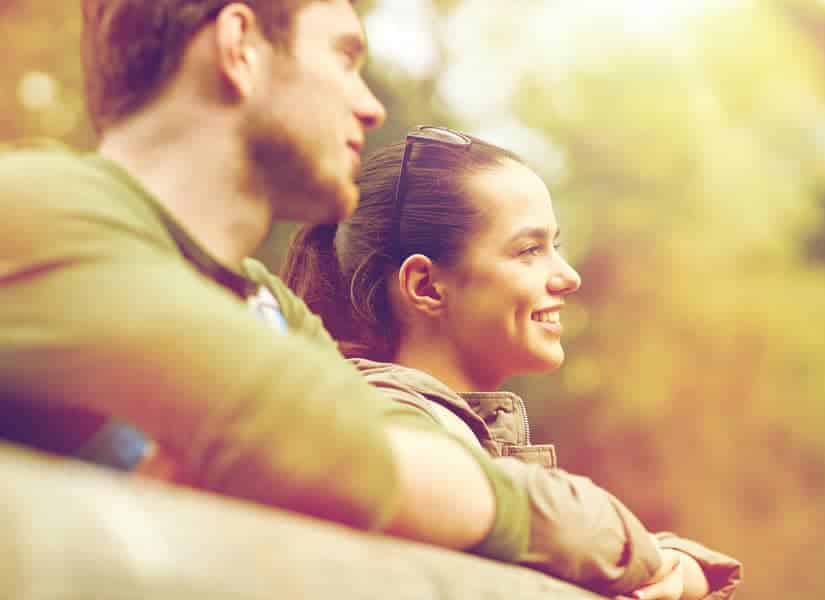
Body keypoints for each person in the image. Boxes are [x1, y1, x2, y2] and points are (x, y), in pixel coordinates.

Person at [0, 1, 534, 561]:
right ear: (240, 47)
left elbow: (421, 455)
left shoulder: (266, 304)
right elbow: (326, 441)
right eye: (344, 57)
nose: (371, 107)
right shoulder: (33, 210)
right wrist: (577, 526)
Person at [281, 126, 743, 599]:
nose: (568, 277)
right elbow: (562, 532)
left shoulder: (439, 428)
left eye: (555, 247)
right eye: (529, 250)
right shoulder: (396, 427)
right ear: (425, 286)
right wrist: (662, 564)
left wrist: (680, 567)